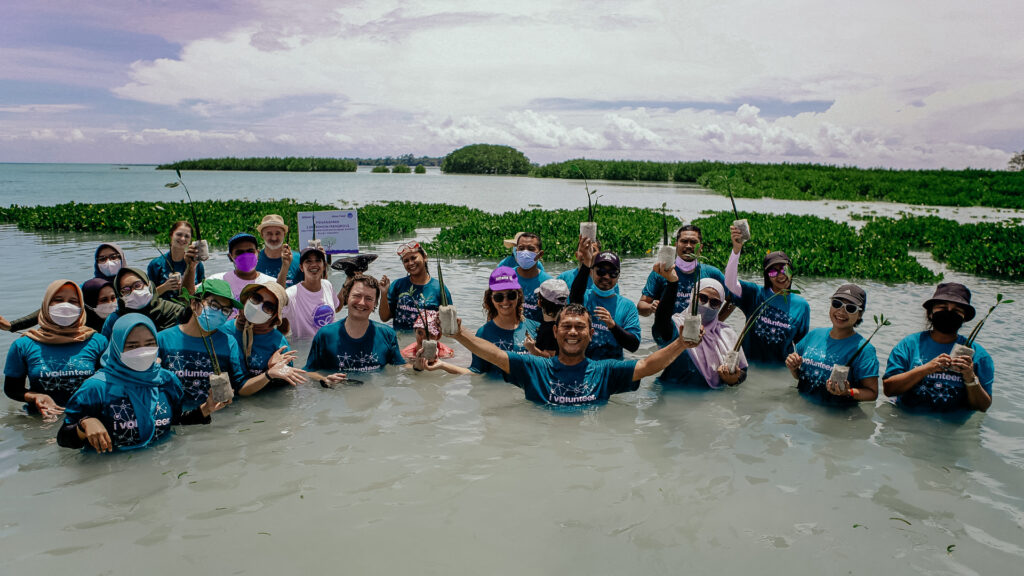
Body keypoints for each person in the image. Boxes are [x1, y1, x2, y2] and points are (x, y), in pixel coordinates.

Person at [451, 303, 703, 406]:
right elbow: (495, 354)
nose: (573, 332)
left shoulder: (605, 370)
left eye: (580, 327)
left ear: (591, 333)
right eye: (567, 326)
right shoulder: (534, 367)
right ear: (555, 331)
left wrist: (681, 343)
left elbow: (647, 365)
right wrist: (459, 333)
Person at [56, 314, 229, 452]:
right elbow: (63, 439)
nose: (142, 351)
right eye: (132, 346)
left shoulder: (167, 380)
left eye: (149, 344)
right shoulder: (96, 387)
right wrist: (84, 424)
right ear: (116, 347)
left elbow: (175, 422)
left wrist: (206, 409)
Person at [883, 283, 993, 413]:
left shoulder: (979, 355)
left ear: (964, 319)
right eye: (942, 307)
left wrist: (970, 378)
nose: (949, 312)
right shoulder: (909, 345)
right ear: (930, 314)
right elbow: (889, 390)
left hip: (952, 427)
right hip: (908, 421)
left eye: (957, 310)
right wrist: (926, 369)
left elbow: (983, 406)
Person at [3, 280, 108, 417]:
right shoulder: (23, 345)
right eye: (58, 300)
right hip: (40, 420)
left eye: (73, 301)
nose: (65, 306)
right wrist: (35, 397)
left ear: (81, 306)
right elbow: (12, 389)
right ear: (46, 305)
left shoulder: (97, 341)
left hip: (87, 419)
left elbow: (110, 383)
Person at [156, 279, 248, 411]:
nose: (219, 313)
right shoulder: (163, 339)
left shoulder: (228, 342)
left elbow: (240, 384)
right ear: (194, 304)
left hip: (218, 417)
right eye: (214, 306)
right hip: (176, 417)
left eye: (226, 310)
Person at [725, 226, 810, 363]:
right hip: (749, 366)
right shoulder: (755, 293)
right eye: (773, 272)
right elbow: (730, 283)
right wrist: (736, 250)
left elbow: (801, 345)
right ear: (767, 277)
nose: (780, 275)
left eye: (784, 269)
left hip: (780, 369)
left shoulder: (802, 306)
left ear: (791, 270)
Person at [1, 242, 128, 333]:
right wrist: (13, 325)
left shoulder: (133, 285)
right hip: (91, 339)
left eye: (113, 257)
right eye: (102, 259)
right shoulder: (87, 288)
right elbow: (51, 309)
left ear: (122, 258)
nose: (108, 262)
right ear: (96, 263)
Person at [785, 284, 879, 406]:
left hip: (836, 413)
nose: (841, 311)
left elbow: (872, 394)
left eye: (850, 308)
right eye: (837, 304)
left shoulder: (865, 349)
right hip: (801, 406)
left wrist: (848, 392)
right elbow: (800, 376)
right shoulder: (814, 335)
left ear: (860, 314)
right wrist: (793, 368)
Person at [304, 274, 405, 385]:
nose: (361, 302)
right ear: (347, 297)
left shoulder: (387, 334)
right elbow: (308, 372)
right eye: (357, 296)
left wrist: (418, 366)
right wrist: (324, 379)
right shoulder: (325, 335)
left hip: (375, 397)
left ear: (375, 303)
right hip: (338, 395)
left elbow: (400, 367)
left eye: (369, 298)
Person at [653, 271, 747, 388]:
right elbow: (661, 323)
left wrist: (733, 379)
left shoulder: (727, 334)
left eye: (714, 302)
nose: (707, 305)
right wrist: (672, 283)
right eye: (702, 298)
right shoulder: (677, 326)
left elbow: (743, 371)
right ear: (692, 296)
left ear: (720, 305)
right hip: (672, 395)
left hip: (713, 402)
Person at [225, 283, 308, 396]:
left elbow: (285, 391)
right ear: (247, 299)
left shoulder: (278, 344)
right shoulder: (222, 332)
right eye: (256, 298)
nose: (258, 306)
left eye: (268, 307)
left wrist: (272, 372)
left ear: (274, 316)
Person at [569, 241, 641, 360]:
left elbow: (633, 346)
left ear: (618, 277)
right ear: (592, 272)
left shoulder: (628, 306)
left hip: (612, 369)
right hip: (583, 366)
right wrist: (586, 262)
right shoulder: (584, 297)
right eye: (601, 271)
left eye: (612, 273)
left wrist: (613, 326)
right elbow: (574, 297)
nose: (606, 277)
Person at [638, 224, 724, 318]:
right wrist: (651, 307)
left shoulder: (713, 273)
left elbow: (733, 300)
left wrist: (717, 321)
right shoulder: (662, 271)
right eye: (684, 241)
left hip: (699, 331)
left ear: (701, 247)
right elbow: (641, 306)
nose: (688, 246)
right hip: (668, 330)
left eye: (693, 242)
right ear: (676, 245)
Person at [469, 267, 539, 377]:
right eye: (498, 297)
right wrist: (443, 366)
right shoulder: (483, 333)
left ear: (518, 295)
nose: (505, 301)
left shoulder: (535, 328)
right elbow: (476, 372)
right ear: (491, 299)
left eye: (511, 295)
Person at [379, 241, 453, 331]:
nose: (410, 263)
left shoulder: (439, 288)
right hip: (401, 339)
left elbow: (449, 324)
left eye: (413, 258)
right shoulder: (397, 285)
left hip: (427, 341)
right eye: (406, 261)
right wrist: (383, 293)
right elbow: (384, 318)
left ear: (425, 258)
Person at [101, 267, 186, 338]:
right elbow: (105, 350)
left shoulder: (175, 311)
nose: (134, 292)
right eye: (126, 290)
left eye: (137, 285)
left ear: (148, 285)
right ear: (120, 296)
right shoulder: (115, 320)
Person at [282, 247, 340, 339]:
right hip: (305, 350)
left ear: (324, 265)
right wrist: (285, 266)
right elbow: (276, 307)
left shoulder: (327, 285)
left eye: (318, 261)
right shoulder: (291, 294)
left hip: (331, 345)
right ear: (301, 267)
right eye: (308, 261)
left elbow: (337, 308)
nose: (314, 265)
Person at [147, 220, 205, 302]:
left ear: (191, 240)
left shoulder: (196, 264)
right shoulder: (155, 264)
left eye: (187, 236)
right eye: (179, 234)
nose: (182, 239)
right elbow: (148, 295)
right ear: (171, 235)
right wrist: (165, 287)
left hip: (189, 309)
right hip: (164, 309)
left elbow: (202, 293)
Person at [208, 233, 277, 299]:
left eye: (250, 251)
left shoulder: (272, 284)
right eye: (239, 252)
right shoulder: (216, 281)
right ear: (230, 256)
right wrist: (196, 264)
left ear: (258, 253)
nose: (246, 256)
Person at [506, 232, 551, 322]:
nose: (525, 252)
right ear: (516, 251)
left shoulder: (548, 283)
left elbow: (550, 317)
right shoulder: (505, 277)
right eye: (521, 248)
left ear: (540, 254)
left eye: (531, 249)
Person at [524, 278, 569, 358]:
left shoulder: (549, 330)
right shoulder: (564, 323)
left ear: (539, 302)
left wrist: (532, 349)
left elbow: (550, 356)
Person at [255, 214, 303, 287]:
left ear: (284, 234)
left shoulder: (299, 259)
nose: (274, 238)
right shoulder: (255, 260)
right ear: (262, 235)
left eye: (278, 233)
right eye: (269, 233)